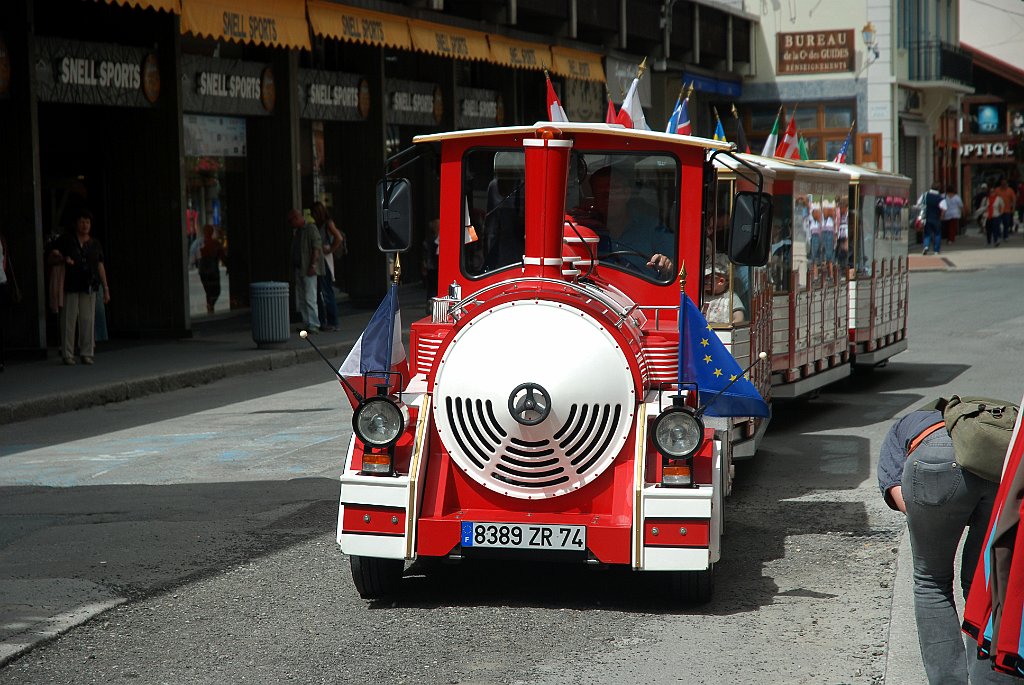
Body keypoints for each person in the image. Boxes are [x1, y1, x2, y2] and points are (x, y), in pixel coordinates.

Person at [877, 407, 1016, 685]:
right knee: (986, 583)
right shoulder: (996, 420)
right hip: (1001, 466)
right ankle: (989, 677)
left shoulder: (906, 425)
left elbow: (894, 486)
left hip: (934, 461)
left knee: (931, 581)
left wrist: (935, 516)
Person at [48, 209, 109, 365]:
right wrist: (63, 259)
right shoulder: (66, 240)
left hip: (89, 284)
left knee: (88, 319)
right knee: (68, 319)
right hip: (70, 283)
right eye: (82, 221)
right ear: (76, 223)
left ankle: (86, 352)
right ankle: (67, 354)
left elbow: (100, 264)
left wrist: (106, 288)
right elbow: (51, 257)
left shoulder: (95, 243)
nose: (85, 225)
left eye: (88, 222)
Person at [287, 208, 322, 333]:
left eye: (291, 221)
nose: (291, 224)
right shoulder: (298, 232)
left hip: (308, 268)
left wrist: (313, 265)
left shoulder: (310, 229)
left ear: (297, 218)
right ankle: (307, 322)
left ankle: (313, 323)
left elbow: (316, 247)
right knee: (302, 297)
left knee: (309, 296)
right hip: (300, 268)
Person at [311, 202, 344, 331]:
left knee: (326, 290)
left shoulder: (327, 223)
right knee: (320, 290)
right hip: (321, 256)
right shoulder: (318, 225)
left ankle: (332, 321)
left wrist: (330, 249)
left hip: (324, 257)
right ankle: (323, 320)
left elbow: (338, 237)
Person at [702, 254, 745, 324]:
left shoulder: (730, 297)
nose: (705, 280)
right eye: (704, 276)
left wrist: (731, 327)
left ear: (721, 281)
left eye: (708, 277)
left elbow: (739, 318)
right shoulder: (700, 296)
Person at [196, 224, 226, 314]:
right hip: (212, 271)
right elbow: (222, 256)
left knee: (208, 291)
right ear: (212, 232)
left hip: (202, 271)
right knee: (216, 291)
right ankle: (210, 305)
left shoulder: (199, 243)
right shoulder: (215, 243)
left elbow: (195, 256)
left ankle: (210, 305)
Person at [919, 182, 943, 255]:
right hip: (936, 218)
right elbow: (944, 208)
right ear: (939, 188)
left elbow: (919, 203)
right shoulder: (940, 198)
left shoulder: (925, 195)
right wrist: (941, 217)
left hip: (927, 218)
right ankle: (936, 250)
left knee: (927, 234)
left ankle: (926, 246)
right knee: (937, 234)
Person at [995, 178, 1017, 242]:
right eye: (1002, 183)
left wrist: (1013, 208)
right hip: (998, 211)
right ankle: (998, 235)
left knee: (1006, 224)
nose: (1003, 184)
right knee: (997, 224)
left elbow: (1014, 200)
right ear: (1000, 184)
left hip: (1007, 210)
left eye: (1004, 183)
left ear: (1007, 184)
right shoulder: (997, 190)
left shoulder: (1010, 190)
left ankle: (1005, 236)